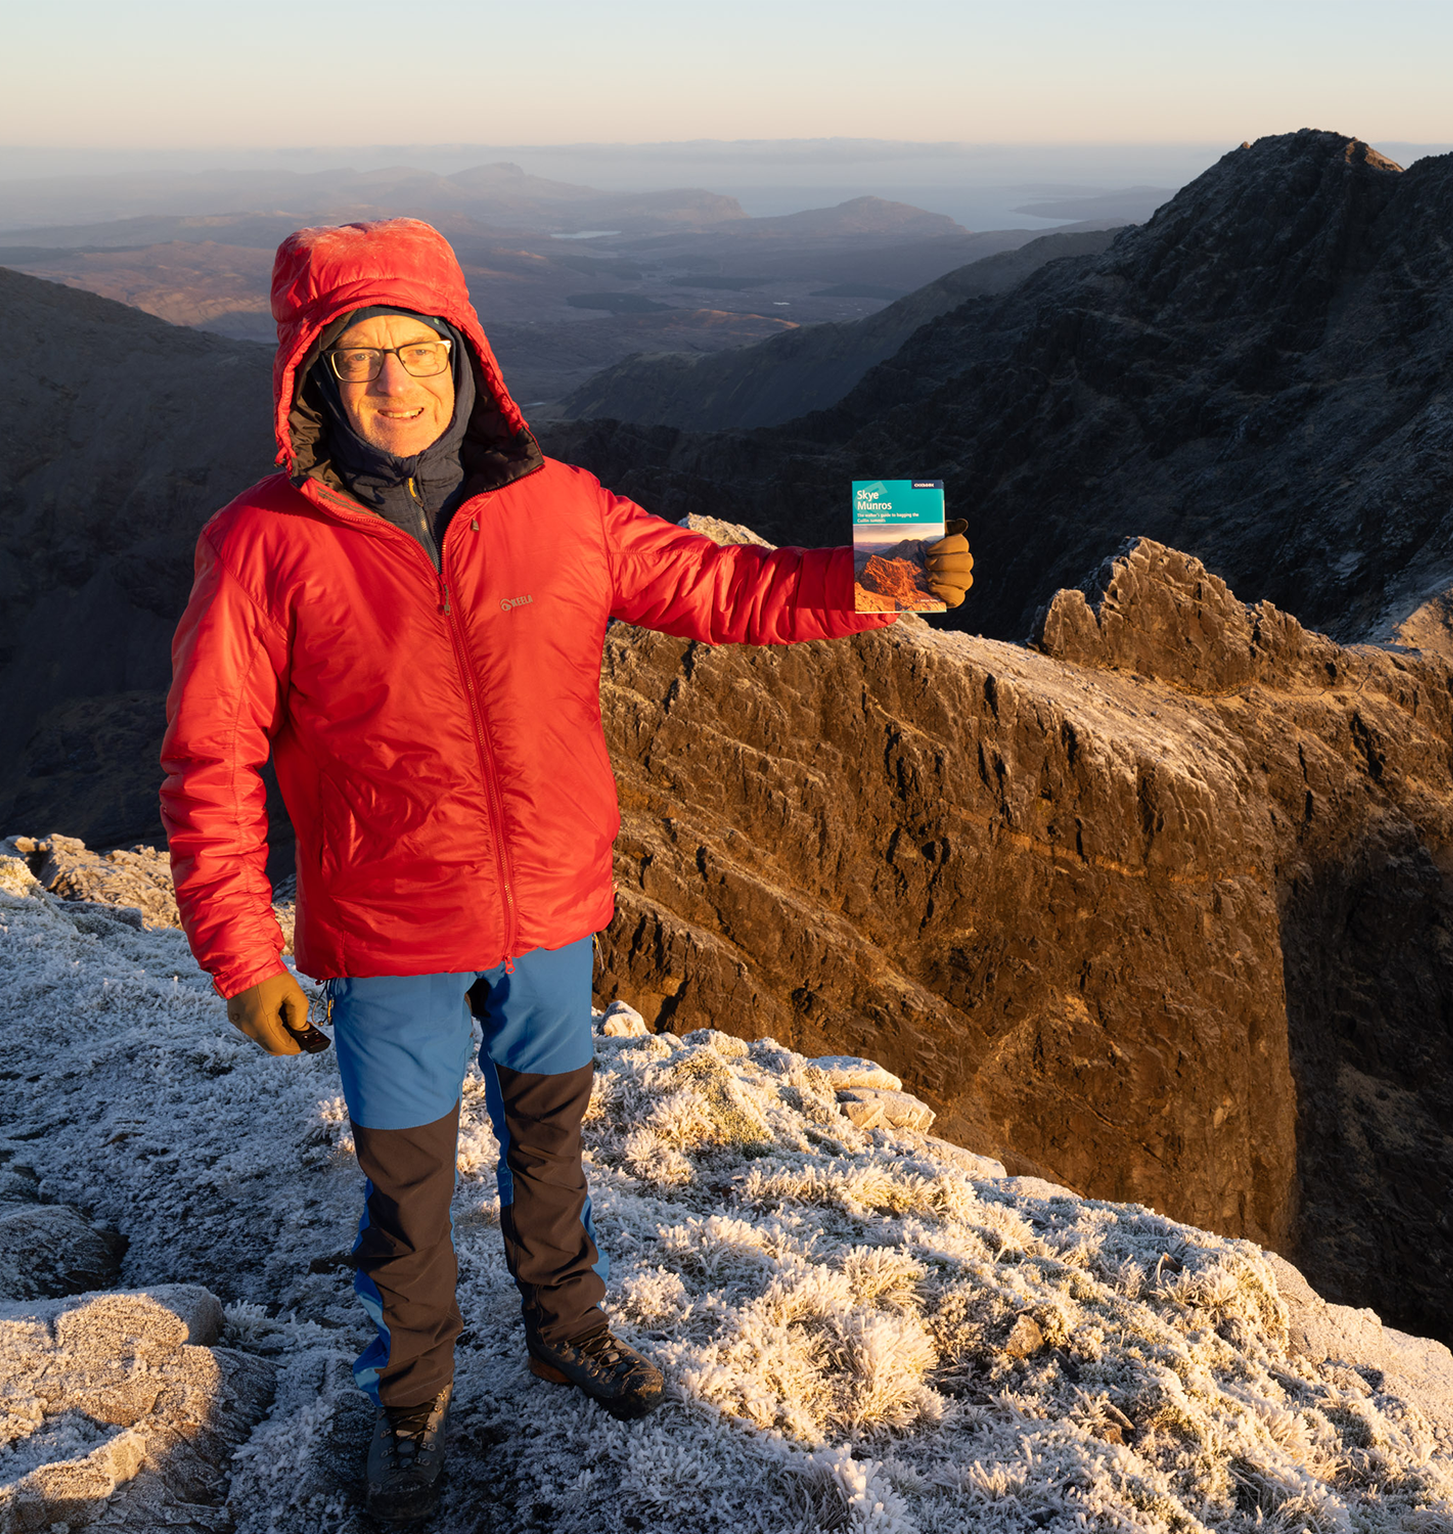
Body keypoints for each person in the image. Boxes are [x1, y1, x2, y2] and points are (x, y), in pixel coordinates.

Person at [160, 217, 973, 1522]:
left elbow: (723, 588)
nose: (393, 379)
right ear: (308, 375)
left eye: (415, 347)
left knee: (550, 1145)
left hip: (548, 915)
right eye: (355, 353)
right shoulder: (261, 542)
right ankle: (410, 1397)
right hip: (389, 935)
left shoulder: (561, 508)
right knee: (409, 1185)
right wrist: (242, 951)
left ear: (463, 352)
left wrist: (877, 578)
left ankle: (565, 1327)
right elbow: (209, 755)